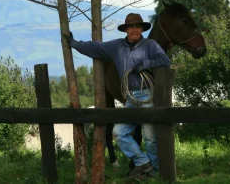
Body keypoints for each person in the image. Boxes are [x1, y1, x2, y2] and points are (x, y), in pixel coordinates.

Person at [63, 13, 170, 179]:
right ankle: (143, 162)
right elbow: (94, 48)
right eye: (131, 27)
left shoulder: (150, 45)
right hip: (130, 98)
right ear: (126, 30)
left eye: (137, 27)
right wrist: (74, 43)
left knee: (150, 137)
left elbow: (164, 60)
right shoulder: (117, 47)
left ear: (142, 29)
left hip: (147, 94)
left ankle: (153, 173)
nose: (134, 30)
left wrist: (145, 64)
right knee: (119, 132)